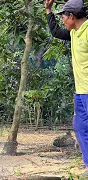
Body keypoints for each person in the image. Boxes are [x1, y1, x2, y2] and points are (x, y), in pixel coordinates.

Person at [44, 0, 88, 176]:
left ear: (72, 16)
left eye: (63, 16)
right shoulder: (74, 33)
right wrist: (48, 11)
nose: (62, 20)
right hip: (81, 92)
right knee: (79, 127)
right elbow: (55, 32)